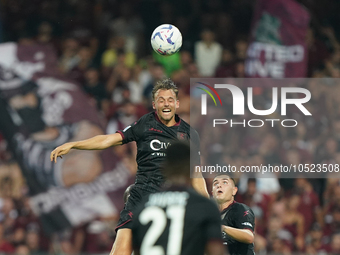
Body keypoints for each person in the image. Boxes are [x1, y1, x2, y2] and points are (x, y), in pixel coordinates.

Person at [50, 78, 209, 255]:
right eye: (161, 100)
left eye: (170, 100)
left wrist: (210, 208)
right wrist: (74, 144)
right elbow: (108, 140)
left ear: (177, 103)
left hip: (171, 201)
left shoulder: (189, 133)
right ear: (154, 104)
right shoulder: (144, 124)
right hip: (140, 197)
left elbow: (196, 175)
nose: (166, 104)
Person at [132, 142, 225, 255]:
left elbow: (137, 251)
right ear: (192, 170)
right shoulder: (204, 206)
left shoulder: (143, 205)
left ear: (164, 168)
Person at [212, 173, 255, 255]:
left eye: (224, 182)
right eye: (216, 183)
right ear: (212, 193)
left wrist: (222, 228)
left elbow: (249, 237)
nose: (219, 186)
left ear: (234, 190)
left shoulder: (240, 209)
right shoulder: (211, 214)